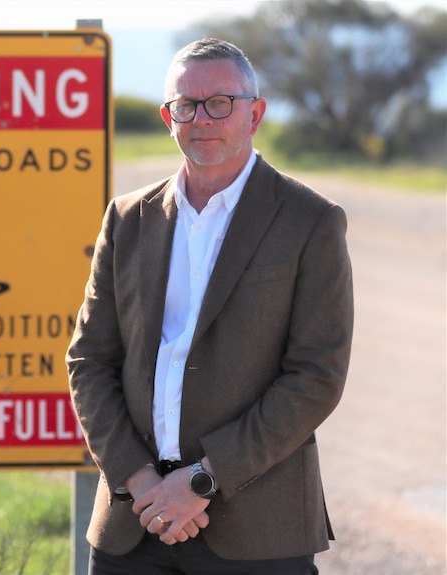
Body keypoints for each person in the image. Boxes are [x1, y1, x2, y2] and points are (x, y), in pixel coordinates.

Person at [66, 37, 354, 574]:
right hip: (134, 526)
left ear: (255, 112)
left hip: (258, 531)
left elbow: (316, 376)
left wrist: (203, 479)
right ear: (167, 117)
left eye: (220, 102)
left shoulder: (309, 221)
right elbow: (89, 362)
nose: (202, 118)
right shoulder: (127, 220)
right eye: (186, 105)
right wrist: (140, 481)